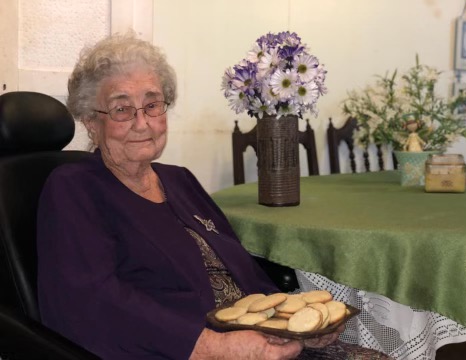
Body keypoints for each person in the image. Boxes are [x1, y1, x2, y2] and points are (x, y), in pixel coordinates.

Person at [36, 33, 392, 360]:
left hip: (254, 341)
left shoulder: (180, 180)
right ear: (89, 121)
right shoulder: (74, 187)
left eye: (152, 104)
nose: (142, 122)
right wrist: (214, 347)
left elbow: (244, 270)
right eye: (121, 109)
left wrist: (294, 321)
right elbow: (91, 301)